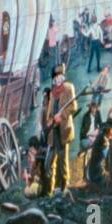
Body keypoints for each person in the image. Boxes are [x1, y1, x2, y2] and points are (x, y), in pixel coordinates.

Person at [44, 64, 78, 196]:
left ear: (63, 77)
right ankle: (49, 191)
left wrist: (61, 116)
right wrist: (50, 121)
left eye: (60, 77)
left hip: (64, 130)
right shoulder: (53, 92)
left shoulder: (69, 88)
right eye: (56, 78)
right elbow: (50, 111)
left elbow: (73, 107)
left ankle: (63, 190)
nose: (58, 80)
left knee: (63, 163)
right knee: (48, 164)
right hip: (53, 132)